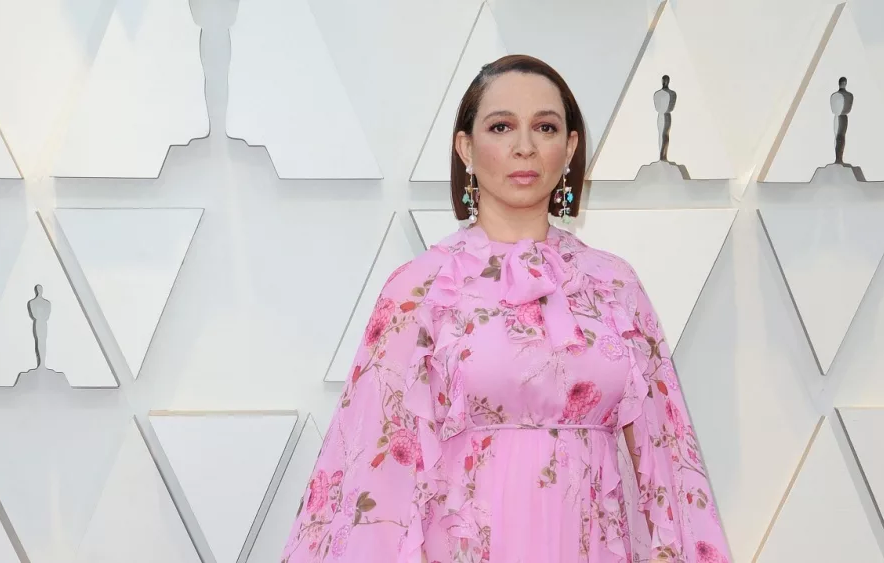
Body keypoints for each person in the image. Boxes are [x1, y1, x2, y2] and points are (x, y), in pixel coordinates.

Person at [280, 54, 731, 563]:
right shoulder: (420, 288)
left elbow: (668, 456)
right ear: (465, 147)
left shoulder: (615, 284)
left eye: (545, 127)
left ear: (571, 147)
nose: (525, 146)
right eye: (501, 126)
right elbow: (371, 469)